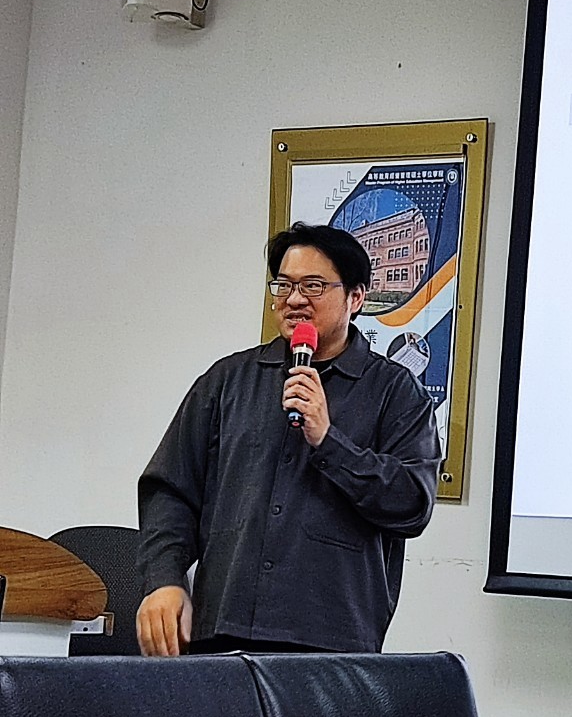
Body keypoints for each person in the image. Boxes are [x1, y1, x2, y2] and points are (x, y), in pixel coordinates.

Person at [136, 223, 441, 655]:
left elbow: (412, 505)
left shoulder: (395, 392)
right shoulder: (227, 381)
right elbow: (171, 490)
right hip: (222, 627)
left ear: (356, 297)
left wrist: (328, 440)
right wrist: (164, 580)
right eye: (284, 285)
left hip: (331, 640)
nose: (295, 299)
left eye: (313, 285)